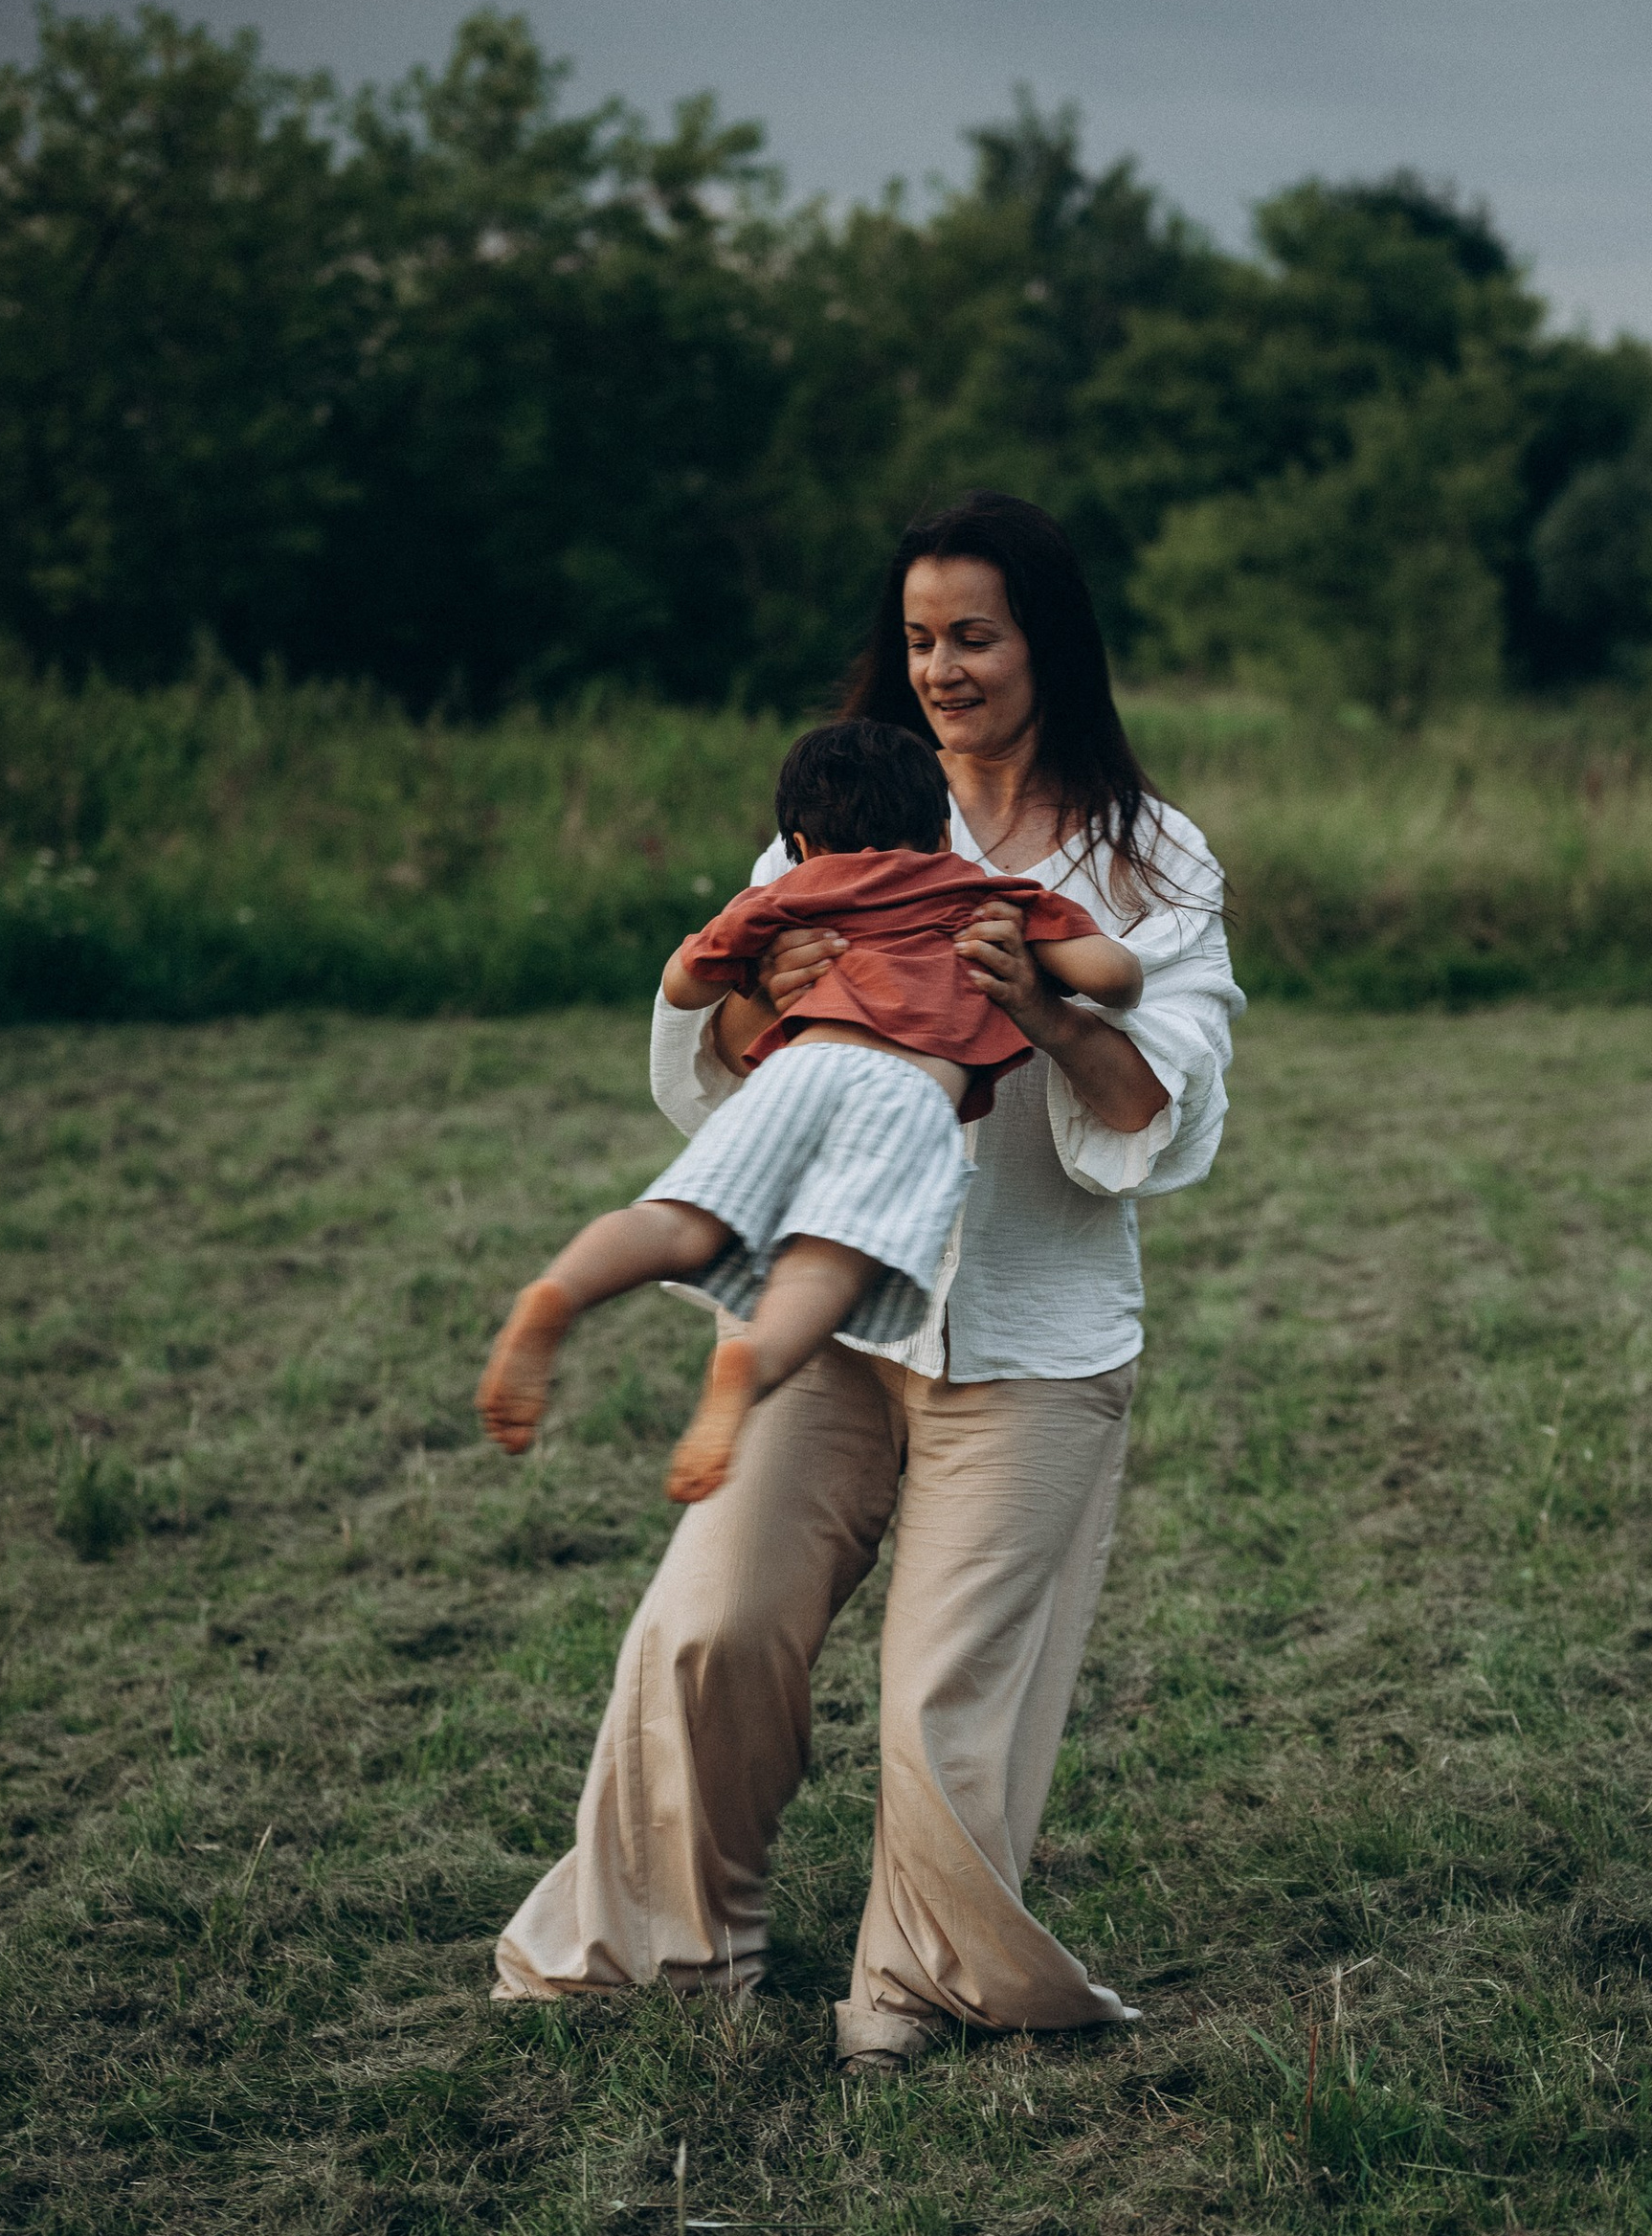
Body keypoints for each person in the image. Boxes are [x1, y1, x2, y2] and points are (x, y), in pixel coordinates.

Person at [492, 491, 1241, 2076]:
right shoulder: (847, 815)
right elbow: (734, 1042)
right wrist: (762, 1008)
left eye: (976, 634)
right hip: (833, 1313)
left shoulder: (1151, 860)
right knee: (710, 1624)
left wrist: (1042, 1008)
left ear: (1050, 641)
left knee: (937, 1713)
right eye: (919, 640)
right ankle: (665, 1946)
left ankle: (913, 1985)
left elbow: (1150, 1107)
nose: (944, 669)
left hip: (1031, 1336)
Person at [470, 718, 1140, 1503]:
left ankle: (558, 1292)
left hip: (796, 1071)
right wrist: (1030, 955)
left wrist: (757, 956)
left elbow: (684, 983)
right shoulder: (978, 892)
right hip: (909, 1097)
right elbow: (1116, 976)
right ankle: (753, 1361)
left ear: (799, 839)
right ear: (942, 828)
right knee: (831, 1257)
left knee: (681, 1218)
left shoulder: (786, 893)